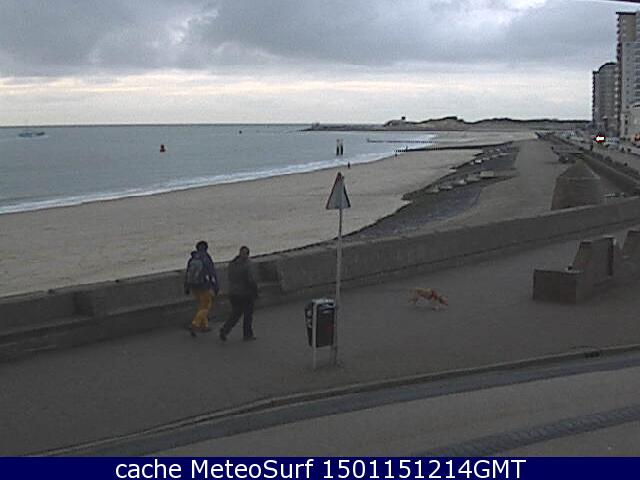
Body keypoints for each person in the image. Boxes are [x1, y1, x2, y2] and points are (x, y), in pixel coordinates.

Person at [219, 246, 258, 342]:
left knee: (235, 313)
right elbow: (251, 280)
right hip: (245, 293)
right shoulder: (247, 265)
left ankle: (225, 329)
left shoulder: (232, 264)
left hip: (233, 293)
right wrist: (255, 291)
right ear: (248, 254)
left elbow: (230, 277)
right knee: (248, 315)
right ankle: (247, 334)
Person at [184, 240, 219, 336]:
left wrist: (186, 286)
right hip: (204, 286)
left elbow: (187, 274)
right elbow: (212, 273)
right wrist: (215, 286)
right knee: (206, 306)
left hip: (194, 285)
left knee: (201, 305)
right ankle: (195, 323)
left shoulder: (192, 259)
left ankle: (204, 326)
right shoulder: (206, 258)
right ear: (206, 248)